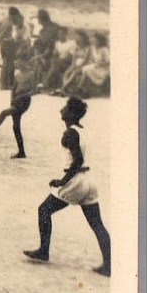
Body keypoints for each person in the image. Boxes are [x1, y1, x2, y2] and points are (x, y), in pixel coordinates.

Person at [23, 97, 110, 277]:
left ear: (71, 114)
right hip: (89, 180)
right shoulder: (82, 130)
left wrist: (62, 181)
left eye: (65, 108)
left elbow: (76, 160)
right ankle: (109, 264)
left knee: (44, 210)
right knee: (97, 224)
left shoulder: (69, 133)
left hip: (75, 180)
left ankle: (43, 251)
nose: (61, 110)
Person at [0, 55, 35, 158]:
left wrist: (21, 96)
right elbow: (13, 89)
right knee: (16, 127)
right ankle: (21, 152)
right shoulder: (17, 74)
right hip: (16, 100)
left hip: (24, 101)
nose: (18, 63)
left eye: (21, 62)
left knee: (4, 113)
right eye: (18, 61)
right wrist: (12, 99)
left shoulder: (31, 74)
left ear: (26, 62)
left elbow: (33, 90)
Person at [67, 32, 110, 97]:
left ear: (99, 41)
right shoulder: (93, 48)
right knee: (81, 70)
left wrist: (99, 64)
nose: (93, 41)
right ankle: (71, 88)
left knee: (86, 71)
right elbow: (91, 59)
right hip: (94, 67)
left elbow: (108, 62)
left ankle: (79, 89)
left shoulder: (104, 50)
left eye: (95, 40)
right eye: (93, 39)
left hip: (102, 69)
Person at [0, 7, 29, 90]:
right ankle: (7, 84)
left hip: (4, 44)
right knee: (8, 64)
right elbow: (5, 34)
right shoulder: (10, 23)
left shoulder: (6, 21)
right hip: (8, 44)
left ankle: (4, 84)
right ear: (14, 15)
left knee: (6, 64)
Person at [41, 27, 78, 92]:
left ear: (66, 34)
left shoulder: (72, 43)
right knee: (53, 62)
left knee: (55, 63)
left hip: (67, 62)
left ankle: (46, 81)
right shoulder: (57, 43)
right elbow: (55, 54)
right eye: (59, 34)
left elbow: (71, 56)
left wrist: (60, 59)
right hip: (58, 62)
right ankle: (50, 83)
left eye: (61, 34)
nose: (59, 35)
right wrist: (54, 55)